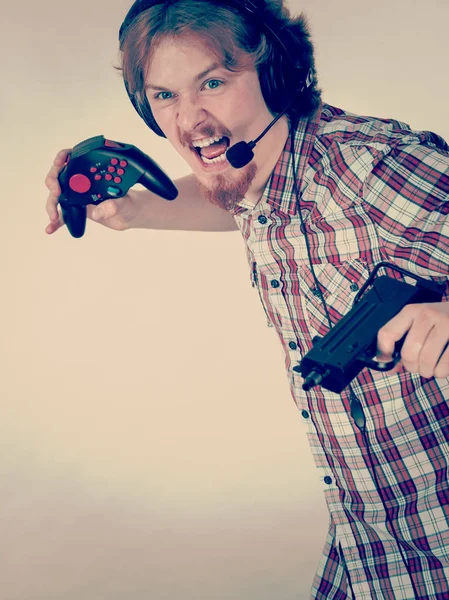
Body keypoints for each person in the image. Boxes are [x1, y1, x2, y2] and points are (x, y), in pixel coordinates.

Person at [44, 0, 449, 597]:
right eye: (164, 96)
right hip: (370, 541)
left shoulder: (374, 170)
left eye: (213, 82)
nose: (190, 120)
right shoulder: (259, 171)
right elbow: (252, 205)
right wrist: (135, 208)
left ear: (276, 73)